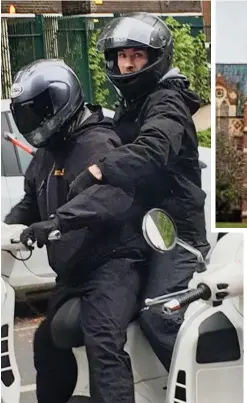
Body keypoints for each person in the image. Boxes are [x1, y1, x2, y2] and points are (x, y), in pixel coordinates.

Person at [66, 12, 211, 370]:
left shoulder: (166, 101)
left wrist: (100, 170)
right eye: (122, 56)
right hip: (143, 230)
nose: (127, 65)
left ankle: (201, 391)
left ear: (156, 59)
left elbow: (154, 148)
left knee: (161, 316)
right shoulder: (133, 105)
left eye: (137, 56)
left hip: (176, 234)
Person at [4, 59, 150, 403]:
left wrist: (58, 221)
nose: (30, 122)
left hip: (113, 265)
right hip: (73, 272)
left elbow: (111, 196)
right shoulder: (48, 151)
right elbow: (30, 200)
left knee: (102, 339)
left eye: (36, 111)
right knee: (46, 342)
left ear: (59, 104)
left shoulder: (97, 143)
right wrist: (11, 225)